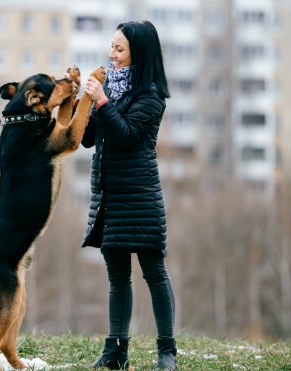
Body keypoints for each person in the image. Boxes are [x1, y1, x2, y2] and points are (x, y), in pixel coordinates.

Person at [67, 20, 176, 371]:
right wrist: (79, 100)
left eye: (119, 49)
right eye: (111, 46)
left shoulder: (152, 95)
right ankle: (115, 351)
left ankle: (166, 352)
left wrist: (100, 101)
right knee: (117, 277)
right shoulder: (109, 88)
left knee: (154, 273)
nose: (111, 54)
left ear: (138, 54)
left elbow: (128, 136)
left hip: (140, 195)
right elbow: (87, 139)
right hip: (109, 197)